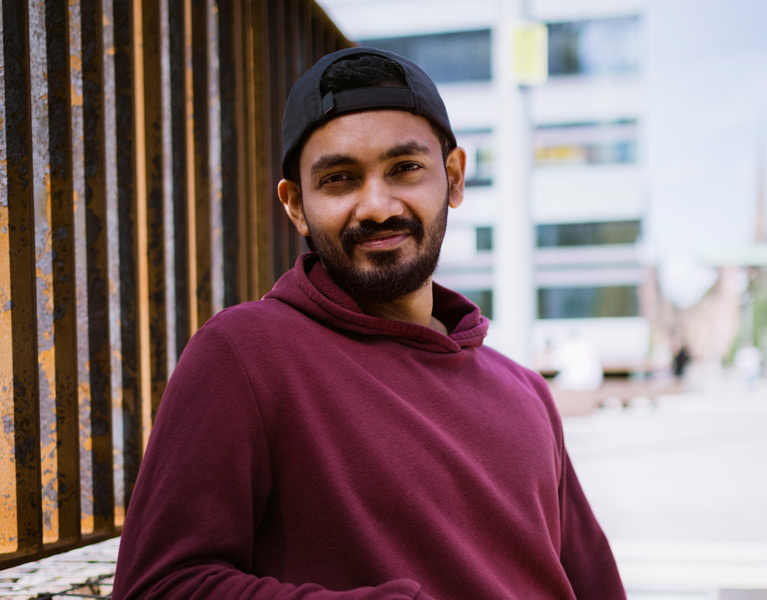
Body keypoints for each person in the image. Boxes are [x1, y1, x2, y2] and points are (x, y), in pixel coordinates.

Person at [112, 47, 626, 599]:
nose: (377, 205)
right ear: (296, 207)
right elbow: (158, 587)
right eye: (339, 179)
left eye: (405, 168)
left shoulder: (525, 391)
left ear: (453, 178)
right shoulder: (244, 356)